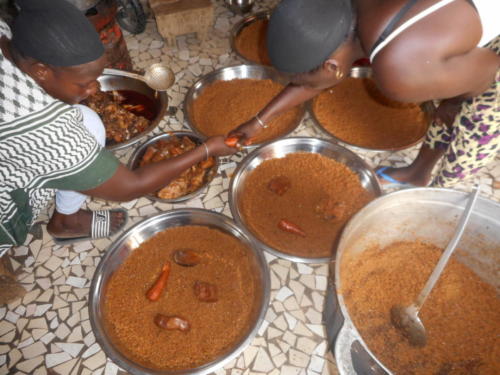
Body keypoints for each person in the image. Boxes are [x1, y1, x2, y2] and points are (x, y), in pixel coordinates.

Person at [0, 0, 236, 302]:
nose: (95, 90)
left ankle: (66, 220)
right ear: (42, 71)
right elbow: (130, 187)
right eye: (84, 84)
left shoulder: (6, 35)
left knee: (88, 121)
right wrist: (206, 149)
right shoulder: (44, 128)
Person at [229, 0, 499, 188]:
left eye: (302, 76)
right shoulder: (347, 13)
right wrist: (258, 122)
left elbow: (489, 69)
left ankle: (440, 195)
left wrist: (456, 101)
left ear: (332, 67)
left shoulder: (400, 73)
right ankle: (417, 173)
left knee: (473, 124)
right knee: (441, 92)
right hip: (454, 16)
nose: (303, 84)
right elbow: (314, 81)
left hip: (489, 61)